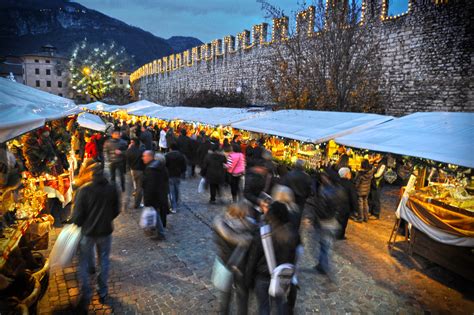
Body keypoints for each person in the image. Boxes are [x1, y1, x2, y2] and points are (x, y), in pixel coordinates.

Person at [72, 164, 120, 311]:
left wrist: (79, 223)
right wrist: (106, 219)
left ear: (91, 175)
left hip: (88, 232)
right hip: (105, 231)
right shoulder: (112, 189)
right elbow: (116, 210)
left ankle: (86, 292)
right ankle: (102, 291)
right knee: (104, 260)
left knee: (84, 262)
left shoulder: (84, 190)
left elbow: (78, 216)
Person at [245, 201, 300, 315]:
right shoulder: (293, 234)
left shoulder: (262, 233)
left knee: (264, 307)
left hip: (262, 276)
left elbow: (252, 259)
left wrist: (248, 279)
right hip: (281, 276)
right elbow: (294, 257)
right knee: (279, 303)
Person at [213, 203, 255, 315]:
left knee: (225, 294)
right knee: (242, 295)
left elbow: (217, 243)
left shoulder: (220, 224)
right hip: (242, 265)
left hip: (224, 262)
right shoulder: (249, 228)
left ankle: (224, 312)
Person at [142, 151, 169, 240]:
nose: (143, 158)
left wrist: (147, 200)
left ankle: (161, 234)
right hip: (160, 194)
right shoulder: (158, 166)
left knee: (156, 213)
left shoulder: (151, 169)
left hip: (155, 196)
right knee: (156, 213)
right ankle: (156, 230)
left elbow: (150, 186)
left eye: (144, 156)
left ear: (150, 157)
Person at [281, 159, 312, 231]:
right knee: (298, 216)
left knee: (289, 213)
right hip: (301, 199)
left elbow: (284, 185)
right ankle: (295, 230)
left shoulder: (289, 174)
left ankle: (288, 228)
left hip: (290, 197)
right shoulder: (306, 176)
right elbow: (309, 190)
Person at [165, 143, 187, 212]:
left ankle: (173, 206)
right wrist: (182, 172)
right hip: (178, 174)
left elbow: (165, 165)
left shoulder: (167, 155)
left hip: (170, 175)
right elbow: (184, 166)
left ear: (170, 148)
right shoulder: (181, 156)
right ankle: (176, 203)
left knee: (171, 191)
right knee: (177, 189)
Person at [337, 167, 358, 239]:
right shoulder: (350, 184)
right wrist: (355, 208)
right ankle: (340, 235)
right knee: (343, 222)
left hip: (336, 204)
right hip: (345, 207)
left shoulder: (336, 181)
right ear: (346, 174)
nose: (350, 175)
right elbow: (353, 197)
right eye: (349, 173)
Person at [126, 138, 145, 209]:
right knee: (139, 188)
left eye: (132, 142)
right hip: (139, 170)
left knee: (136, 186)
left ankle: (136, 202)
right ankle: (137, 204)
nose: (130, 143)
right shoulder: (140, 151)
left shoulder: (129, 150)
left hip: (132, 169)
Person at [369, 155, 386, 220]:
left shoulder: (382, 164)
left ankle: (376, 214)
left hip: (378, 184)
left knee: (376, 198)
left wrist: (371, 176)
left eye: (377, 155)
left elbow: (378, 174)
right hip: (373, 183)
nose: (375, 156)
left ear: (380, 156)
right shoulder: (375, 163)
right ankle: (371, 212)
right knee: (372, 197)